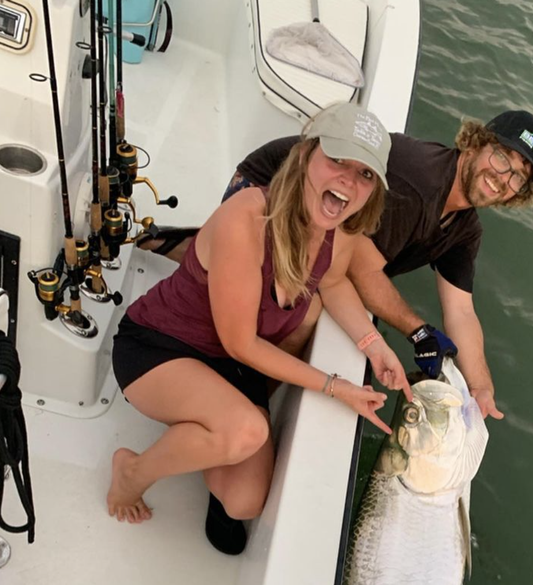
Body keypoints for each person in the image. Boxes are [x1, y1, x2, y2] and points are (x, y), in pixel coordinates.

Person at [108, 102, 410, 555]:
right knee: (246, 430)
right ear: (305, 154)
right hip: (161, 347)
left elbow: (331, 282)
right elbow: (241, 343)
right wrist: (336, 387)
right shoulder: (247, 216)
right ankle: (132, 472)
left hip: (227, 367)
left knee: (244, 501)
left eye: (365, 174)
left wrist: (374, 346)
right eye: (337, 160)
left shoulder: (340, 230)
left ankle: (208, 432)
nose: (349, 180)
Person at [219, 109, 533, 419]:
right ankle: (244, 396)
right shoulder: (421, 183)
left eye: (518, 177)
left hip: (317, 223)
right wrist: (419, 332)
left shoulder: (465, 227)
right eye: (501, 157)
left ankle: (251, 395)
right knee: (308, 307)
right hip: (266, 190)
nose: (503, 177)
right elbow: (358, 269)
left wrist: (481, 387)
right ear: (476, 144)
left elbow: (461, 311)